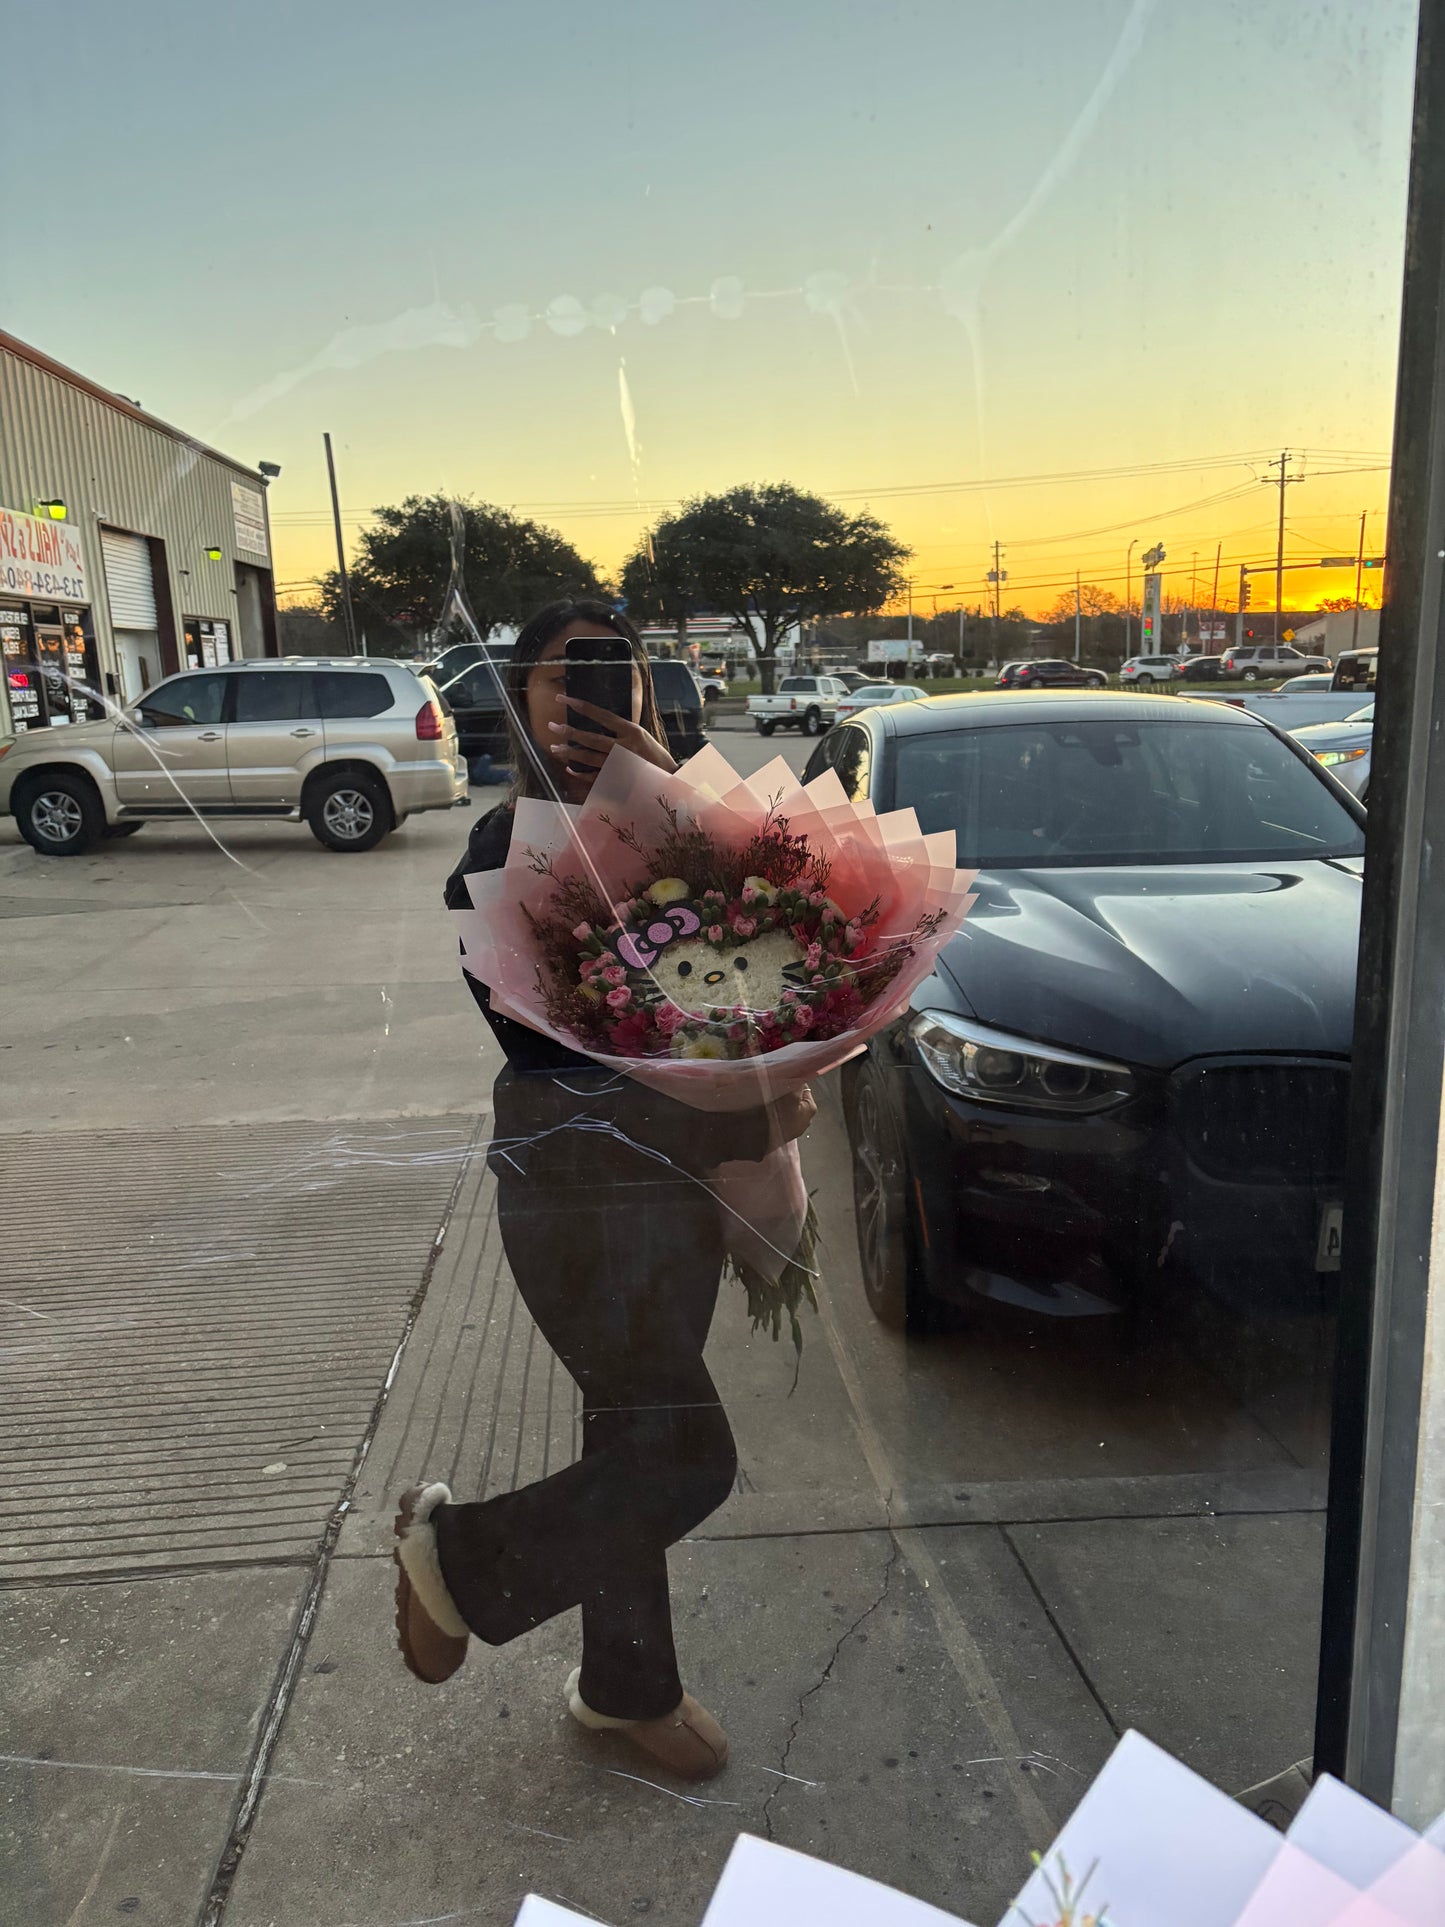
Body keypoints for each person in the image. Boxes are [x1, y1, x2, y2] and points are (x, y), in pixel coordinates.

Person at [392, 598, 814, 1782]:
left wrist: (671, 794)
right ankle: (454, 1561)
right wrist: (644, 819)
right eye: (563, 683)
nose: (593, 702)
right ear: (519, 699)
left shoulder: (684, 813)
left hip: (680, 1182)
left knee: (628, 1443)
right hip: (574, 1187)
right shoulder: (498, 850)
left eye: (616, 678)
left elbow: (766, 948)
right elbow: (587, 1005)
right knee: (684, 1457)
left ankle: (628, 1688)